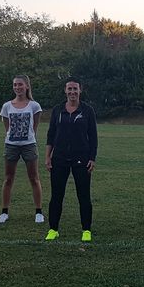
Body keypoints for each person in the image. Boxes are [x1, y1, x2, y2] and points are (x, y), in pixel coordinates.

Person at [44, 77, 97, 242]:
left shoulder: (87, 110)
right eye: (70, 89)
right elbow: (51, 134)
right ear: (65, 91)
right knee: (57, 196)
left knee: (84, 196)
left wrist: (92, 158)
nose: (72, 92)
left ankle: (86, 230)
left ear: (80, 90)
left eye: (75, 89)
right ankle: (53, 229)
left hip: (81, 158)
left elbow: (93, 137)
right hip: (59, 158)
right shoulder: (57, 110)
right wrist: (48, 156)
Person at [0, 74, 45, 225]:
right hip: (11, 146)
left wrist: (28, 137)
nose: (17, 87)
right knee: (8, 178)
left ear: (27, 86)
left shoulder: (34, 106)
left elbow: (35, 125)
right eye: (15, 85)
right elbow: (7, 126)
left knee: (34, 178)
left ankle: (38, 212)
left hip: (29, 145)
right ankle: (4, 212)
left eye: (20, 85)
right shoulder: (7, 106)